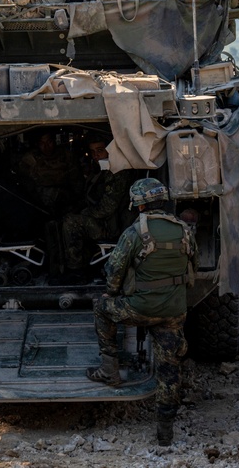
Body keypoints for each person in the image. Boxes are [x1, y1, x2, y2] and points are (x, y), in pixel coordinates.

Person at [87, 178, 197, 446]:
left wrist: (113, 294)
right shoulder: (184, 231)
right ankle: (165, 433)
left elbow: (113, 274)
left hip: (138, 309)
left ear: (139, 206)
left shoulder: (135, 233)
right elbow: (192, 265)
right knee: (169, 371)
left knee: (102, 308)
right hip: (173, 313)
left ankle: (109, 370)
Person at [60, 136, 132, 274]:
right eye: (92, 152)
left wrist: (83, 213)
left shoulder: (117, 172)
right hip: (101, 221)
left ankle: (75, 270)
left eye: (100, 150)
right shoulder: (99, 171)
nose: (96, 155)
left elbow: (107, 208)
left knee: (71, 222)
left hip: (110, 227)